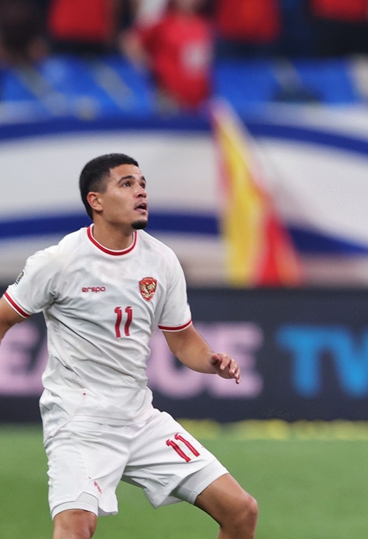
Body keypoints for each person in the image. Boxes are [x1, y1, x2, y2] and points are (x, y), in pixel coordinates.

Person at [0, 153, 258, 538]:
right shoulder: (60, 261)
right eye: (126, 184)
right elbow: (4, 316)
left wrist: (211, 360)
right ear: (96, 200)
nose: (140, 192)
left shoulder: (161, 260)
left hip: (139, 418)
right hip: (79, 421)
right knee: (75, 528)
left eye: (142, 184)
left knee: (240, 510)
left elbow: (183, 340)